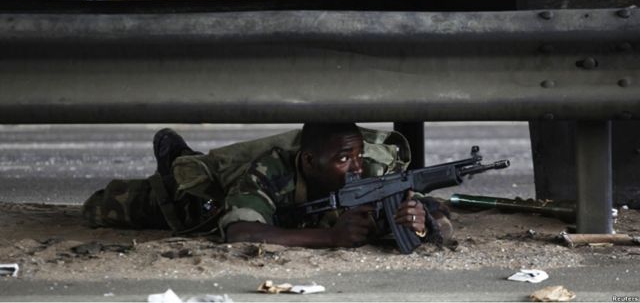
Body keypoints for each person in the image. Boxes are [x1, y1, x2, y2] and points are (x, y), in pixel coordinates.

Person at [83, 123, 452, 249]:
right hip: (207, 202)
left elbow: (434, 215)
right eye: (343, 159)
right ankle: (178, 163)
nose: (356, 166)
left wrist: (418, 223)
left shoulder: (371, 168)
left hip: (289, 215)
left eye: (357, 156)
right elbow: (240, 233)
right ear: (309, 162)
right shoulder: (270, 170)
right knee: (103, 207)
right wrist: (330, 238)